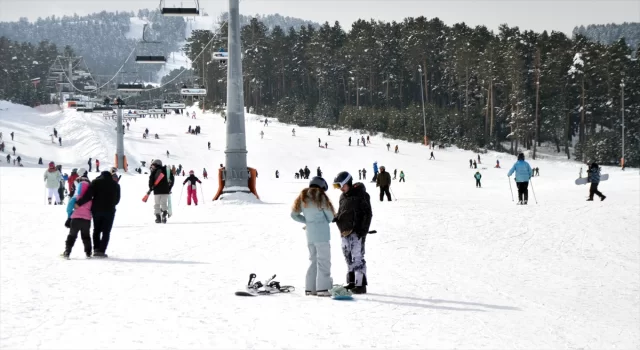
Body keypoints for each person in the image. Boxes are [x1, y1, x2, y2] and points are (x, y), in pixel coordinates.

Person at [290, 176, 336, 297]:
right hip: (322, 234)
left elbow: (294, 214)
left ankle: (310, 289)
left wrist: (307, 221)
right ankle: (323, 288)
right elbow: (330, 217)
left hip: (310, 234)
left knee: (313, 260)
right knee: (324, 261)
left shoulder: (303, 197)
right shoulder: (321, 197)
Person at [332, 171, 372, 294]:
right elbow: (342, 212)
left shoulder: (361, 194)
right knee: (347, 257)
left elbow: (368, 213)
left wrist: (363, 230)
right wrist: (336, 217)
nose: (340, 189)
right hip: (344, 231)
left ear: (347, 183)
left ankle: (360, 285)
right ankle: (351, 282)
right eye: (337, 187)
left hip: (357, 232)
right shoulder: (342, 197)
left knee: (357, 257)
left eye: (341, 186)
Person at [75, 167, 121, 257]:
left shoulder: (96, 182)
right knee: (106, 231)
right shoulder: (116, 185)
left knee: (96, 230)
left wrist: (79, 203)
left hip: (97, 210)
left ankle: (96, 249)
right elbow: (117, 200)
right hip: (110, 211)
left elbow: (88, 195)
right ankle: (102, 251)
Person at [61, 171, 93, 259]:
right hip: (86, 220)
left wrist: (70, 215)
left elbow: (69, 208)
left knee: (72, 236)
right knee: (86, 236)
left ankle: (67, 252)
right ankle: (88, 253)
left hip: (75, 219)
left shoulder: (76, 197)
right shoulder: (90, 199)